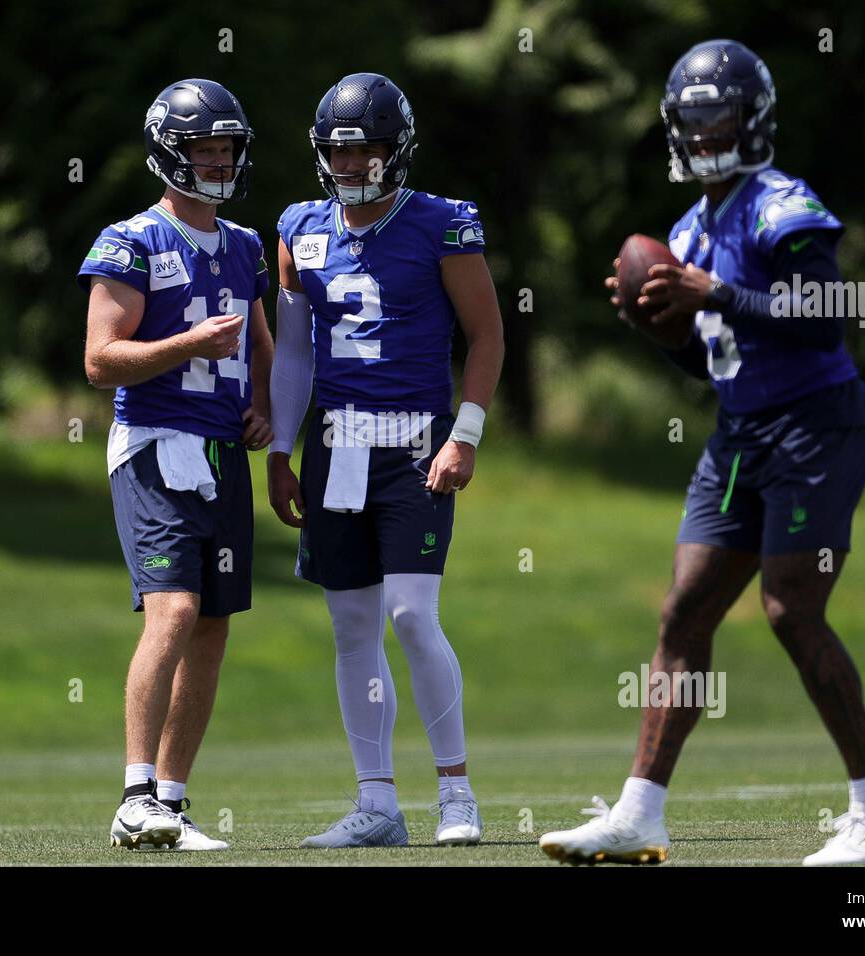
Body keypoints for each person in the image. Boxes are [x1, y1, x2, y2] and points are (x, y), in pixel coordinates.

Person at [540, 40, 865, 866]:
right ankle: (640, 810)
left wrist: (717, 292)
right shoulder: (686, 228)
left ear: (754, 119)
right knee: (685, 612)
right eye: (694, 120)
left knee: (790, 607)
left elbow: (831, 311)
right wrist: (654, 329)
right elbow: (712, 361)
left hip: (817, 424)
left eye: (721, 116)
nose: (707, 133)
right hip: (740, 435)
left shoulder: (782, 205)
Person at [268, 73, 505, 848]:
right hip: (336, 445)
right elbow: (297, 350)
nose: (352, 164)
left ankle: (456, 793)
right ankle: (377, 803)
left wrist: (464, 433)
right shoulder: (300, 226)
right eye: (340, 151)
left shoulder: (442, 224)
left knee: (410, 612)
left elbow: (488, 334)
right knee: (351, 626)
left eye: (366, 148)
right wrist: (278, 445)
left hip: (413, 441)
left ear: (397, 149)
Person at [79, 78, 272, 852]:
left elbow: (262, 346)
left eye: (228, 147)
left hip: (224, 452)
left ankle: (172, 799)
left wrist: (264, 407)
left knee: (214, 627)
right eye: (205, 148)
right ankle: (133, 795)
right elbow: (100, 360)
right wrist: (185, 347)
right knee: (176, 611)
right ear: (170, 154)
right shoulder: (131, 241)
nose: (220, 160)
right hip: (156, 443)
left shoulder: (247, 244)